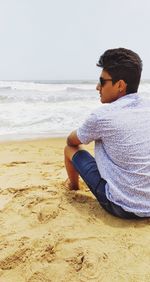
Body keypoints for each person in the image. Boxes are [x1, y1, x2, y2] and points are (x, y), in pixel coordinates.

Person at [64, 47, 150, 219]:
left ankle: (73, 186)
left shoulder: (102, 116)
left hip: (123, 207)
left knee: (69, 149)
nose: (98, 87)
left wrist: (89, 131)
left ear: (120, 85)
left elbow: (71, 140)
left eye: (102, 82)